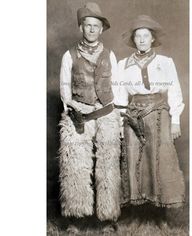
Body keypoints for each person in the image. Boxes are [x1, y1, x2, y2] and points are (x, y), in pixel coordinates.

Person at [58, 2, 121, 228]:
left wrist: (117, 118)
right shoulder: (69, 56)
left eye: (96, 26)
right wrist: (75, 109)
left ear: (101, 29)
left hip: (106, 114)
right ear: (81, 28)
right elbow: (65, 89)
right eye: (88, 26)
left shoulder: (110, 55)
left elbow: (118, 87)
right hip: (79, 115)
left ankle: (107, 218)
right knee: (74, 166)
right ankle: (76, 218)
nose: (92, 30)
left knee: (108, 166)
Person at [117, 15, 185, 213]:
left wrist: (176, 121)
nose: (142, 40)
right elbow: (120, 96)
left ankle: (160, 210)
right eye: (138, 36)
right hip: (132, 115)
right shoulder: (123, 65)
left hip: (158, 113)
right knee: (132, 157)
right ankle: (136, 209)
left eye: (146, 35)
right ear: (134, 40)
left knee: (160, 157)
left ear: (152, 38)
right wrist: (121, 125)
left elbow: (174, 90)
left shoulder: (165, 62)